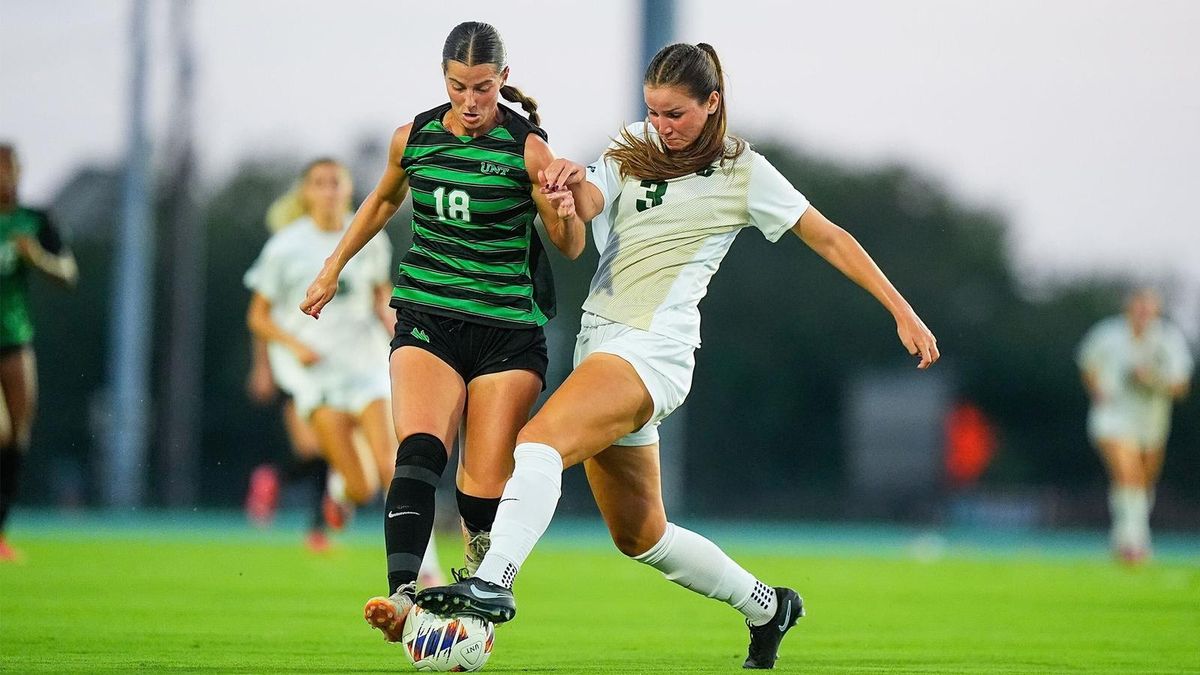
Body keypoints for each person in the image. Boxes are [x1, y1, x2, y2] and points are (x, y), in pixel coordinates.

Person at [415, 42, 939, 670]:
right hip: (600, 345)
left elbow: (828, 237)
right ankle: (769, 607)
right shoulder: (633, 144)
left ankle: (492, 580)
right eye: (653, 111)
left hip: (652, 349)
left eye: (675, 114)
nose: (661, 126)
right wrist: (570, 187)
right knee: (641, 535)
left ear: (712, 103)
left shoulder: (743, 170)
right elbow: (589, 207)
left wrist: (902, 310)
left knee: (538, 443)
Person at [299, 22, 584, 643]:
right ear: (444, 78)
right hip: (428, 317)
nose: (471, 101)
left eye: (483, 88)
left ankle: (476, 599)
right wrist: (332, 267)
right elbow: (381, 202)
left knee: (480, 493)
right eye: (459, 87)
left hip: (507, 333)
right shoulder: (415, 137)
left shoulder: (529, 149)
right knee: (419, 450)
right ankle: (403, 596)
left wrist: (563, 211)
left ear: (503, 80)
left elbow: (569, 245)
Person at [245, 158, 445, 577]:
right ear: (306, 193)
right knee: (360, 485)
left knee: (394, 466)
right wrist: (293, 347)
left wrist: (397, 324)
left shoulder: (368, 235)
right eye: (319, 183)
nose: (329, 191)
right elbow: (258, 316)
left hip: (367, 366)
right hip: (316, 376)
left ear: (349, 188)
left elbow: (379, 293)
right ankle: (340, 492)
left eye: (336, 182)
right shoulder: (286, 247)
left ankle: (425, 571)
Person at [0, 143, 78, 562]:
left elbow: (68, 272)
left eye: (9, 168)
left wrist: (37, 257)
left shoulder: (34, 220)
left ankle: (1, 531)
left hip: (15, 337)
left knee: (17, 433)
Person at [1077, 288, 1193, 564]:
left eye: (1148, 308)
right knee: (1128, 473)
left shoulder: (1169, 339)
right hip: (1112, 417)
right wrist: (1097, 391)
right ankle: (1136, 542)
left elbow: (1181, 386)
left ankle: (1122, 537)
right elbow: (1087, 365)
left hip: (1151, 421)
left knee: (1141, 481)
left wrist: (1151, 380)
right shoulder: (1107, 334)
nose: (1142, 313)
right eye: (1138, 306)